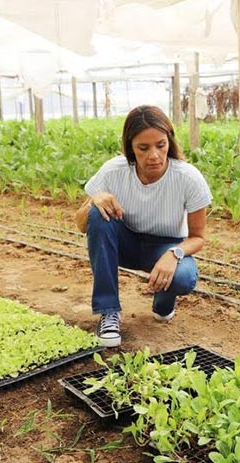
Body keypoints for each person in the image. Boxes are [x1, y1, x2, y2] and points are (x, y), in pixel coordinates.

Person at [76, 105, 211, 347]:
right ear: (130, 147)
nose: (154, 156)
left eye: (161, 145)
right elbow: (81, 225)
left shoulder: (188, 178)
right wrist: (94, 201)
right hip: (125, 242)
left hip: (164, 246)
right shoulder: (113, 171)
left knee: (183, 276)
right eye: (143, 148)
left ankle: (164, 302)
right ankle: (109, 312)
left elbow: (198, 237)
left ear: (169, 141)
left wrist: (175, 253)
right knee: (97, 214)